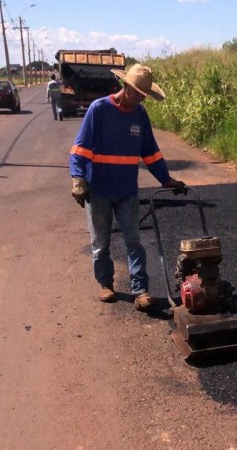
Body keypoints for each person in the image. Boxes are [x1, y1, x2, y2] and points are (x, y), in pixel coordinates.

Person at [69, 64, 185, 309]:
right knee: (101, 244)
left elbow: (150, 152)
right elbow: (80, 149)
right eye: (135, 93)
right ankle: (106, 285)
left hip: (126, 191)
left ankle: (140, 291)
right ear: (125, 87)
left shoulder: (139, 115)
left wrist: (166, 180)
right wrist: (78, 179)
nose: (138, 99)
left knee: (134, 241)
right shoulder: (99, 110)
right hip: (98, 190)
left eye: (143, 96)